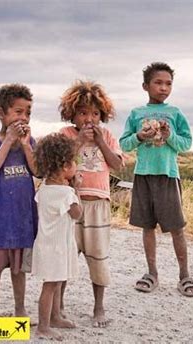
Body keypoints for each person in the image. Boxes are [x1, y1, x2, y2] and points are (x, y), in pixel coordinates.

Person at [119, 62, 193, 297]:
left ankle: (185, 275)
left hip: (167, 175)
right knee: (147, 226)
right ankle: (151, 273)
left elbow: (186, 144)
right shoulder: (136, 114)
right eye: (158, 83)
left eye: (168, 84)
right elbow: (124, 143)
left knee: (176, 227)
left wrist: (169, 135)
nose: (164, 88)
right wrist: (139, 136)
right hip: (143, 175)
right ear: (146, 86)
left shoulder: (175, 114)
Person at [59, 80, 123, 327]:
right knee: (65, 255)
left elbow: (117, 164)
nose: (89, 119)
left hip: (98, 205)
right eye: (83, 112)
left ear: (102, 115)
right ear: (72, 113)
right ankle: (59, 305)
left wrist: (101, 143)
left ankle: (99, 308)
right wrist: (79, 142)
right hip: (71, 202)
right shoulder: (65, 135)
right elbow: (60, 160)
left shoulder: (107, 136)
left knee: (98, 257)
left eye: (95, 113)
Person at [0, 83, 37, 317]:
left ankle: (20, 311)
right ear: (1, 114)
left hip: (23, 217)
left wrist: (24, 145)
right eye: (18, 112)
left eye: (28, 113)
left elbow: (38, 171)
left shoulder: (29, 144)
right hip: (0, 218)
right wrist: (8, 140)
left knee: (18, 269)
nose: (23, 117)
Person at [32, 133, 81, 340]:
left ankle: (54, 317)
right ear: (64, 167)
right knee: (51, 285)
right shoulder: (66, 193)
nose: (76, 165)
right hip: (57, 246)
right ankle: (43, 325)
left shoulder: (44, 188)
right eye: (73, 161)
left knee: (56, 281)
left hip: (48, 243)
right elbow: (78, 214)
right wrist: (76, 189)